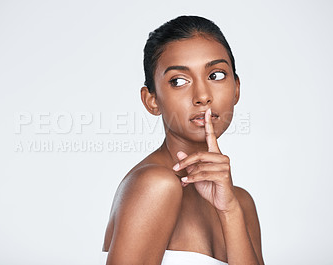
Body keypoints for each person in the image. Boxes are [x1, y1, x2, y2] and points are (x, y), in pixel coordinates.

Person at [101, 15, 264, 265]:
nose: (202, 96)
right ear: (151, 101)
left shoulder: (239, 202)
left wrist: (229, 211)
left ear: (237, 88)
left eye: (216, 75)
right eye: (178, 81)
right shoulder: (155, 185)